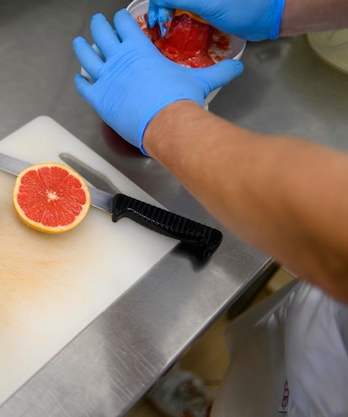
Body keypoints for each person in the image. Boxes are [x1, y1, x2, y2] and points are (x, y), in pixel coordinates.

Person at [73, 0, 348, 416]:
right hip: (321, 328)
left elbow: (331, 232)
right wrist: (283, 11)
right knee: (252, 387)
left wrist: (164, 120)